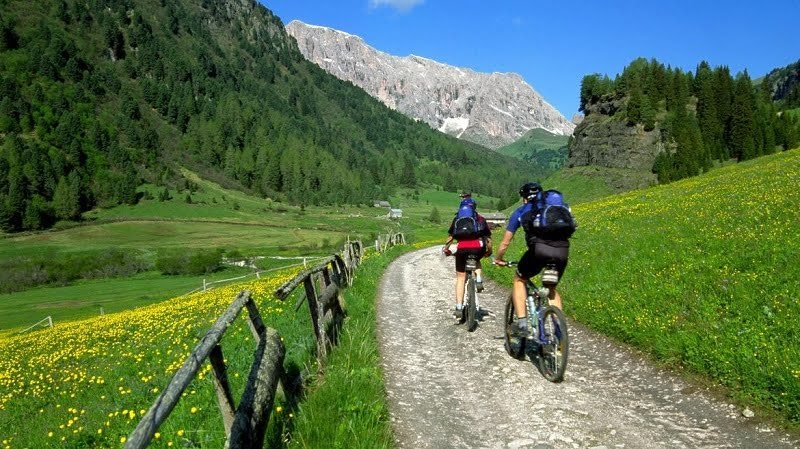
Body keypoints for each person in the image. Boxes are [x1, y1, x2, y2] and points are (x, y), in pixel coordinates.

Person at [493, 182, 570, 337]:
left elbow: (505, 242)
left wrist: (499, 258)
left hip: (539, 251)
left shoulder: (521, 211)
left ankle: (522, 324)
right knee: (551, 289)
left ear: (524, 197)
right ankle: (559, 333)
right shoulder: (560, 208)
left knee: (519, 279)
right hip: (562, 250)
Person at [443, 197, 492, 319]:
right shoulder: (480, 219)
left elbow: (450, 237)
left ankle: (459, 307)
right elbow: (488, 239)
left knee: (460, 278)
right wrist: (489, 251)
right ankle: (479, 279)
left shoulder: (457, 219)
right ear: (474, 207)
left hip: (462, 249)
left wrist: (446, 249)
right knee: (477, 260)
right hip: (477, 248)